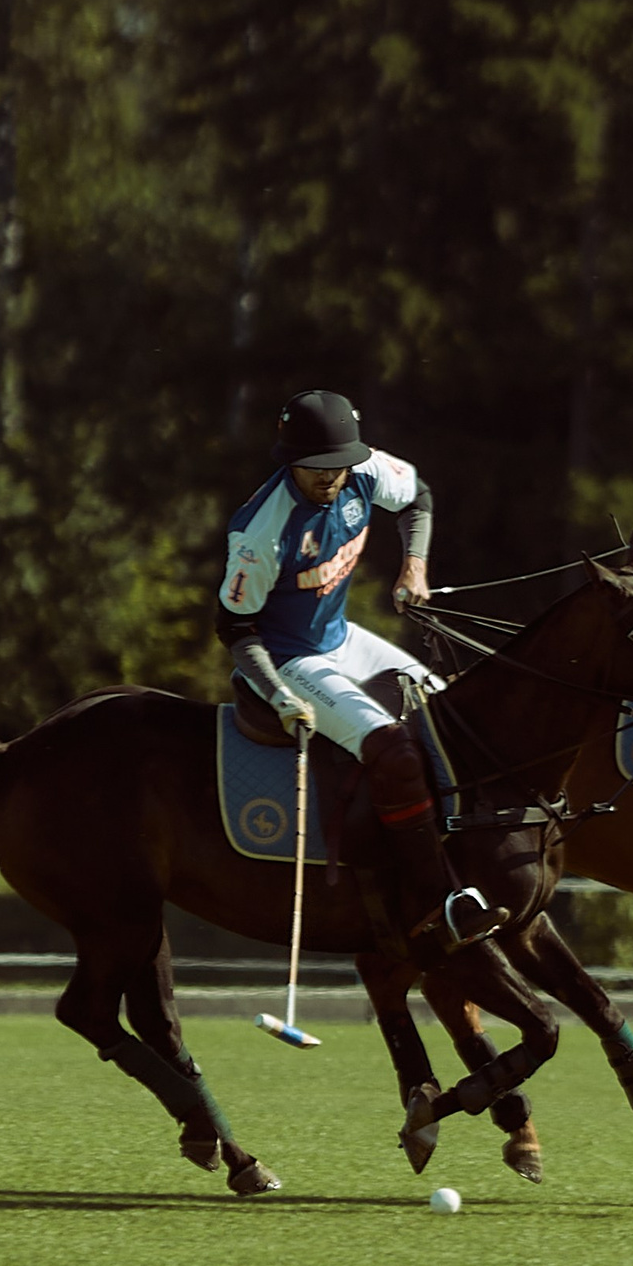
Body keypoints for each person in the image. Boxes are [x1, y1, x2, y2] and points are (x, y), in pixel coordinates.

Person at [216, 390, 500, 948]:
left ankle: (475, 865)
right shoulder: (260, 534)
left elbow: (417, 497)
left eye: (338, 464)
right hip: (286, 656)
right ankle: (434, 894)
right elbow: (234, 628)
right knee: (393, 749)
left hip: (341, 639)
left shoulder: (363, 470)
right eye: (316, 467)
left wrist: (413, 567)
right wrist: (276, 693)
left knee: (452, 718)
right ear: (289, 460)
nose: (330, 477)